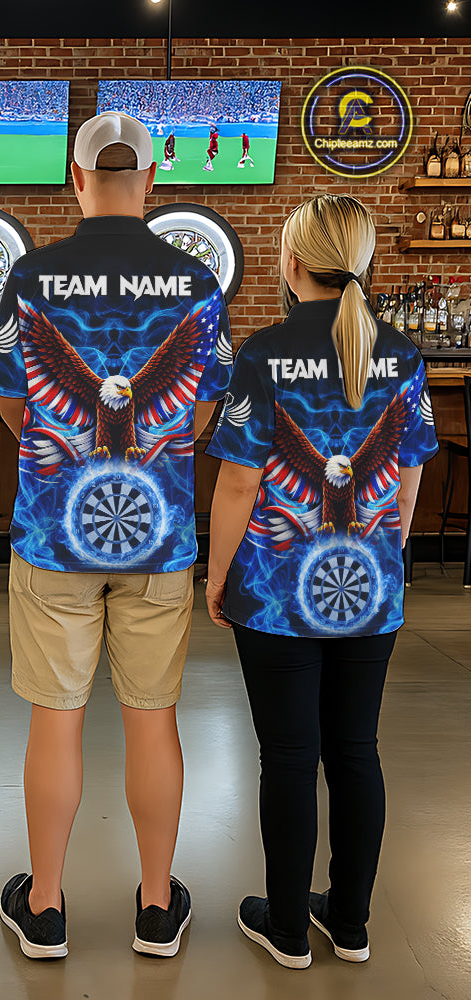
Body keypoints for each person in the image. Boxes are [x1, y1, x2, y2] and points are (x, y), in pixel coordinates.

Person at [0, 111, 232, 960]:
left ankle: (45, 907)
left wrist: (59, 446)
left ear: (76, 179)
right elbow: (202, 412)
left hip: (53, 534)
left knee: (55, 720)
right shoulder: (196, 283)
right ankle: (157, 907)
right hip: (158, 539)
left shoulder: (30, 276)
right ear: (153, 178)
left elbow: (10, 404)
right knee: (152, 719)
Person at [205, 194, 437, 969]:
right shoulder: (402, 354)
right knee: (356, 750)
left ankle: (285, 929)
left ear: (293, 261)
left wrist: (218, 575)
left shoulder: (263, 354)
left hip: (275, 593)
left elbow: (240, 483)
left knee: (289, 757)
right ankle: (352, 922)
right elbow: (408, 478)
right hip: (371, 588)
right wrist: (387, 553)